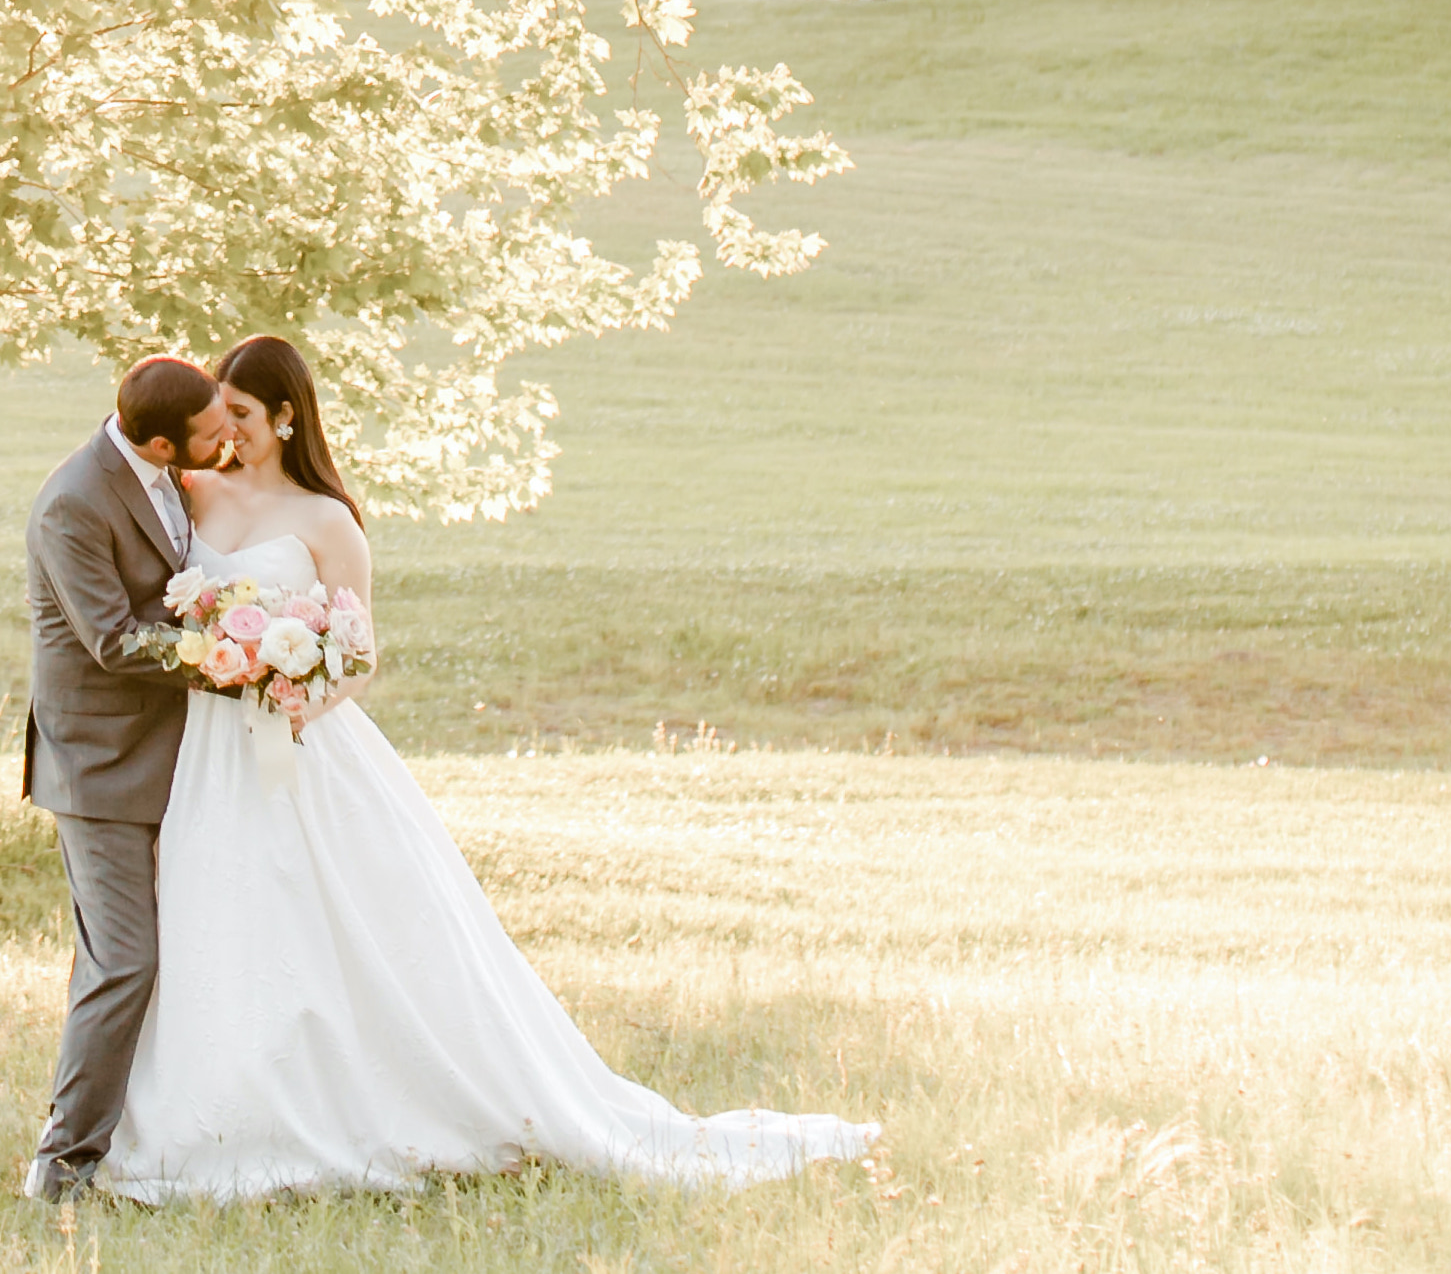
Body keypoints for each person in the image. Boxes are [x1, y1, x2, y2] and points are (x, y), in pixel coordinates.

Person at [93, 333, 875, 1205]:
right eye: (216, 415)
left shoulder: (325, 520)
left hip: (300, 748)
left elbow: (357, 655)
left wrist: (297, 693)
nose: (225, 432)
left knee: (338, 923)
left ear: (285, 416)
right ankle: (218, 1114)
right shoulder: (193, 497)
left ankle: (368, 1104)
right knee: (219, 917)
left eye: (241, 414)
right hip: (210, 751)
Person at [19, 353, 240, 1203]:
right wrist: (236, 654)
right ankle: (63, 1160)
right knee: (123, 963)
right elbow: (112, 639)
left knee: (178, 954)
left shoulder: (171, 479)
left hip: (181, 756)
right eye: (212, 434)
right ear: (159, 440)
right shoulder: (73, 504)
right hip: (100, 765)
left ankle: (161, 1129)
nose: (226, 442)